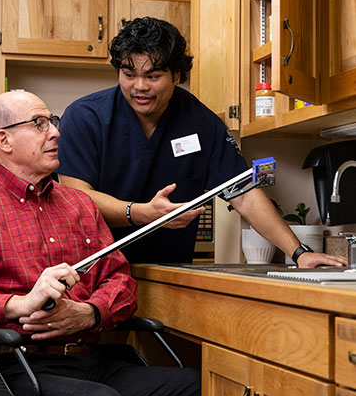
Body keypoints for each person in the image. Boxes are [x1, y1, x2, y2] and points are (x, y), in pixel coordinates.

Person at [0, 91, 201, 396]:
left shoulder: (79, 205)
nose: (55, 132)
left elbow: (120, 282)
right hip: (13, 369)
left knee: (198, 390)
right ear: (4, 140)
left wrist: (91, 312)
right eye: (39, 124)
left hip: (89, 363)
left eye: (52, 122)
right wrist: (19, 305)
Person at [56, 16, 346, 268]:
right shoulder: (85, 117)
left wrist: (298, 253)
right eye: (129, 74)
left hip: (171, 270)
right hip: (96, 269)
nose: (139, 86)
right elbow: (77, 198)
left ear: (177, 75)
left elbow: (243, 193)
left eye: (153, 76)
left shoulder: (201, 123)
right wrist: (142, 213)